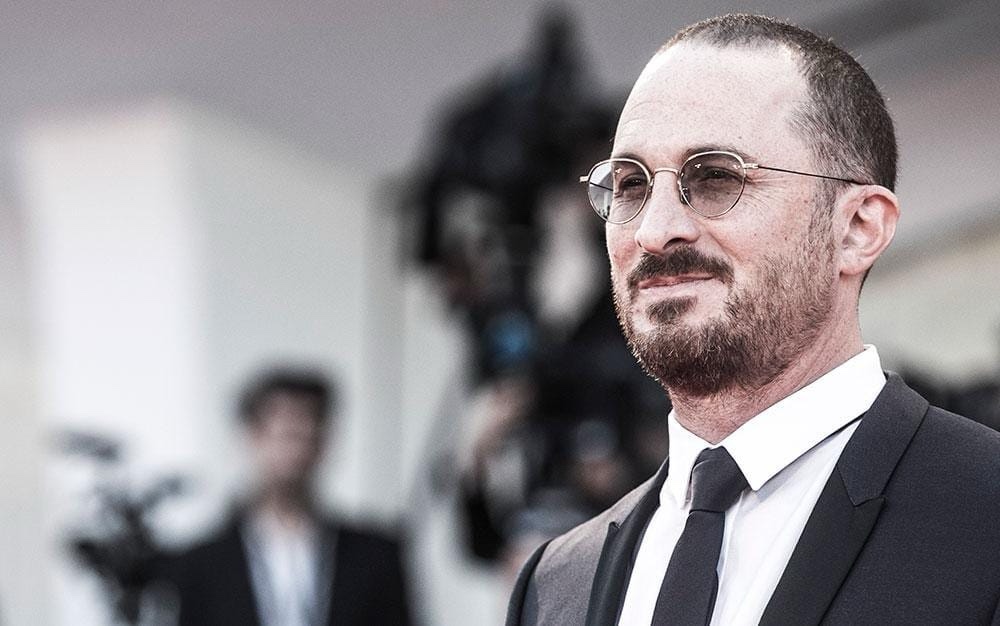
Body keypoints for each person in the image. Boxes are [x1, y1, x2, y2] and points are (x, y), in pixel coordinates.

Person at [506, 13, 1000, 626]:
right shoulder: (556, 585)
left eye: (715, 177)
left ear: (857, 228)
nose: (655, 231)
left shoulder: (984, 517)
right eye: (630, 186)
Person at [169, 367, 411, 626]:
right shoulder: (202, 564)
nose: (297, 452)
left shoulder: (376, 556)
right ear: (253, 437)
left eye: (309, 436)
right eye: (286, 435)